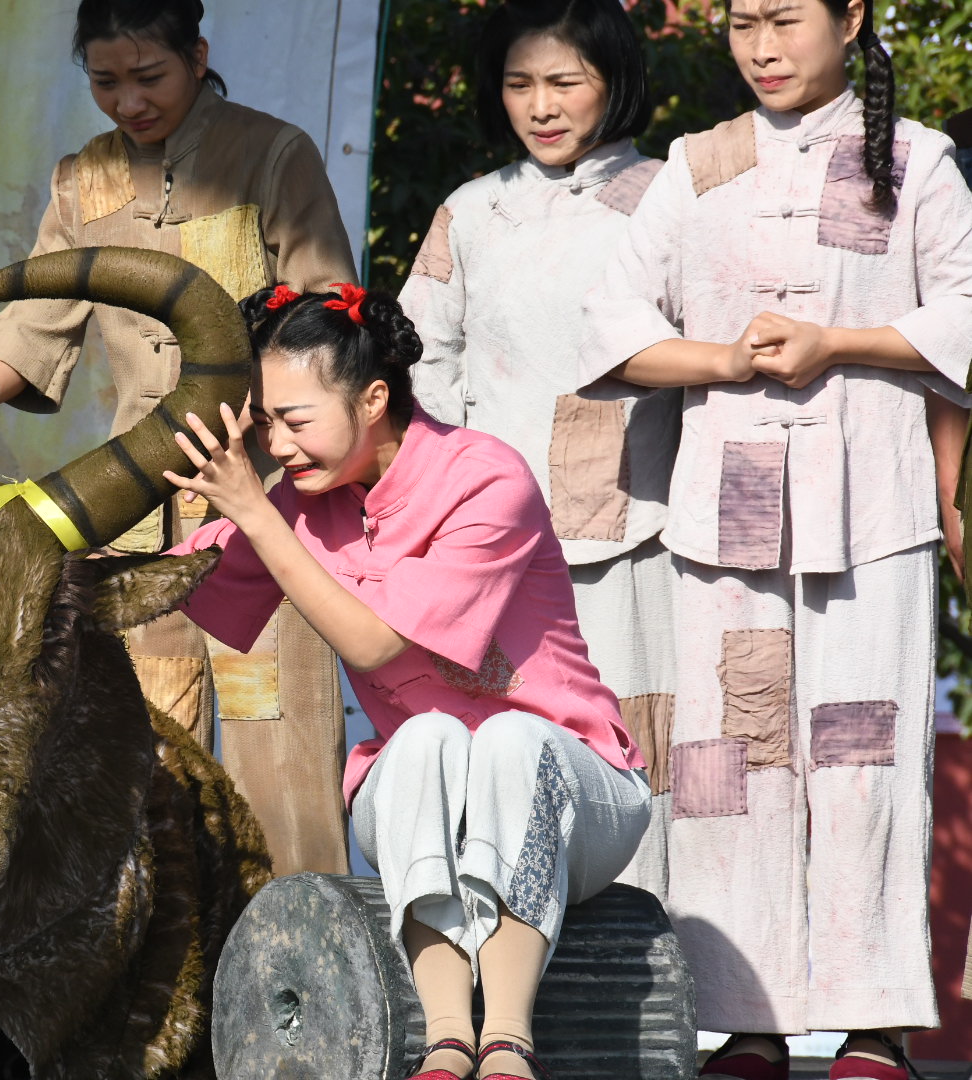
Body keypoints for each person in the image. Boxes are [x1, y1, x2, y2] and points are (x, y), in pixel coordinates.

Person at [0, 0, 358, 877]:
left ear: (198, 56)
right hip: (137, 511)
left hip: (268, 505)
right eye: (105, 82)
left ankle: (299, 959)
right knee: (152, 746)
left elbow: (327, 317)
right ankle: (166, 968)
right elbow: (32, 326)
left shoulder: (271, 153)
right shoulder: (80, 179)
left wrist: (270, 417)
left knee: (274, 735)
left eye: (149, 77)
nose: (129, 102)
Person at [582, 0, 972, 1074]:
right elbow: (615, 319)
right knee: (730, 764)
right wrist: (728, 361)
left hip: (873, 502)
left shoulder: (918, 161)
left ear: (849, 16)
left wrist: (835, 341)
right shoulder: (697, 164)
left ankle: (876, 1023)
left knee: (865, 752)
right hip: (730, 499)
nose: (762, 46)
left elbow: (966, 311)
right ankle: (743, 1018)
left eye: (785, 17)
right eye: (742, 22)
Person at [165, 284, 650, 1080]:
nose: (277, 446)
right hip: (423, 796)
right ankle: (448, 1040)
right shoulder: (292, 504)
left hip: (577, 790)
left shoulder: (487, 478)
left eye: (296, 421)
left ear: (374, 398)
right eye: (265, 423)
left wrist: (257, 515)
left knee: (505, 736)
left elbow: (377, 645)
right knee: (427, 736)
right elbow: (162, 577)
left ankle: (508, 1042)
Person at [398, 0, 678, 895]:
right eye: (520, 84)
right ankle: (501, 983)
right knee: (497, 747)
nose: (541, 105)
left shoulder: (673, 199)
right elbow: (417, 359)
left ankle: (647, 981)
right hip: (490, 548)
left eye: (565, 82)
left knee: (640, 754)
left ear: (616, 82)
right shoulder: (471, 211)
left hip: (637, 531)